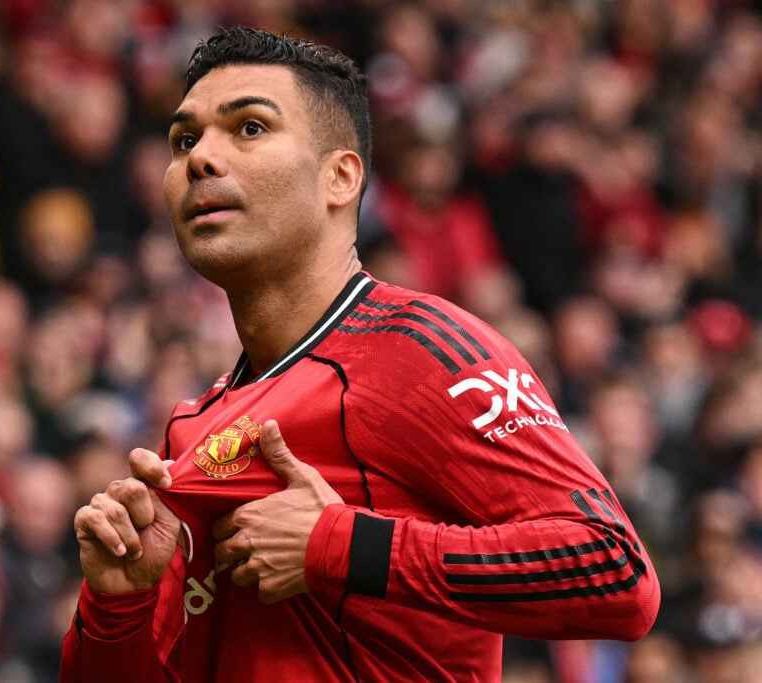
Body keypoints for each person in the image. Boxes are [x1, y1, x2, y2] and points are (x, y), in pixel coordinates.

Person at [60, 26, 660, 682]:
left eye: (250, 128)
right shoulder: (194, 426)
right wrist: (119, 604)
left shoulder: (419, 348)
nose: (202, 157)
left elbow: (615, 570)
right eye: (185, 139)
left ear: (340, 177)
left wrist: (339, 544)